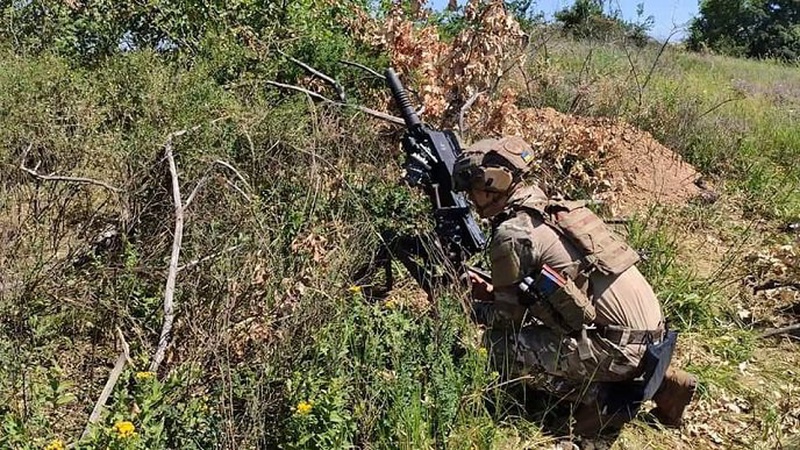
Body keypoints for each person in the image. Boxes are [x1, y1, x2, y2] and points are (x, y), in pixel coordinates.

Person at [450, 135, 697, 436]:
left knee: (495, 347)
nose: (471, 201)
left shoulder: (512, 234)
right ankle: (665, 382)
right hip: (652, 336)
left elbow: (507, 324)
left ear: (491, 185)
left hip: (620, 349)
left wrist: (468, 305)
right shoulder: (556, 209)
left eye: (472, 191)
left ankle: (603, 400)